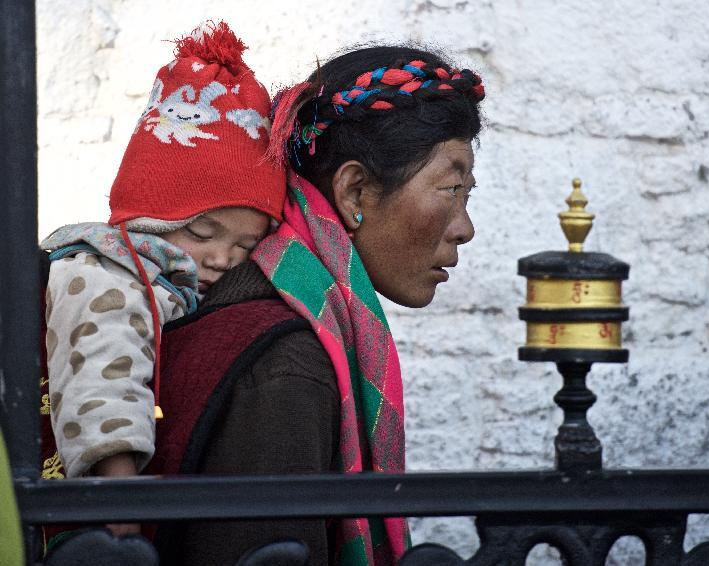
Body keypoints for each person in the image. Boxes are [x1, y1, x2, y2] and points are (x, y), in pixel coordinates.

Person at [149, 46, 485, 566]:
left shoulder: (270, 313)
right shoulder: (289, 366)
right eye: (450, 189)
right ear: (354, 192)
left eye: (468, 195)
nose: (465, 228)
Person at [40, 21, 285, 538]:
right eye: (201, 231)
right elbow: (103, 380)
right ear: (147, 219)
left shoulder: (175, 283)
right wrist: (121, 514)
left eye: (245, 246)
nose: (222, 258)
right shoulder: (106, 274)